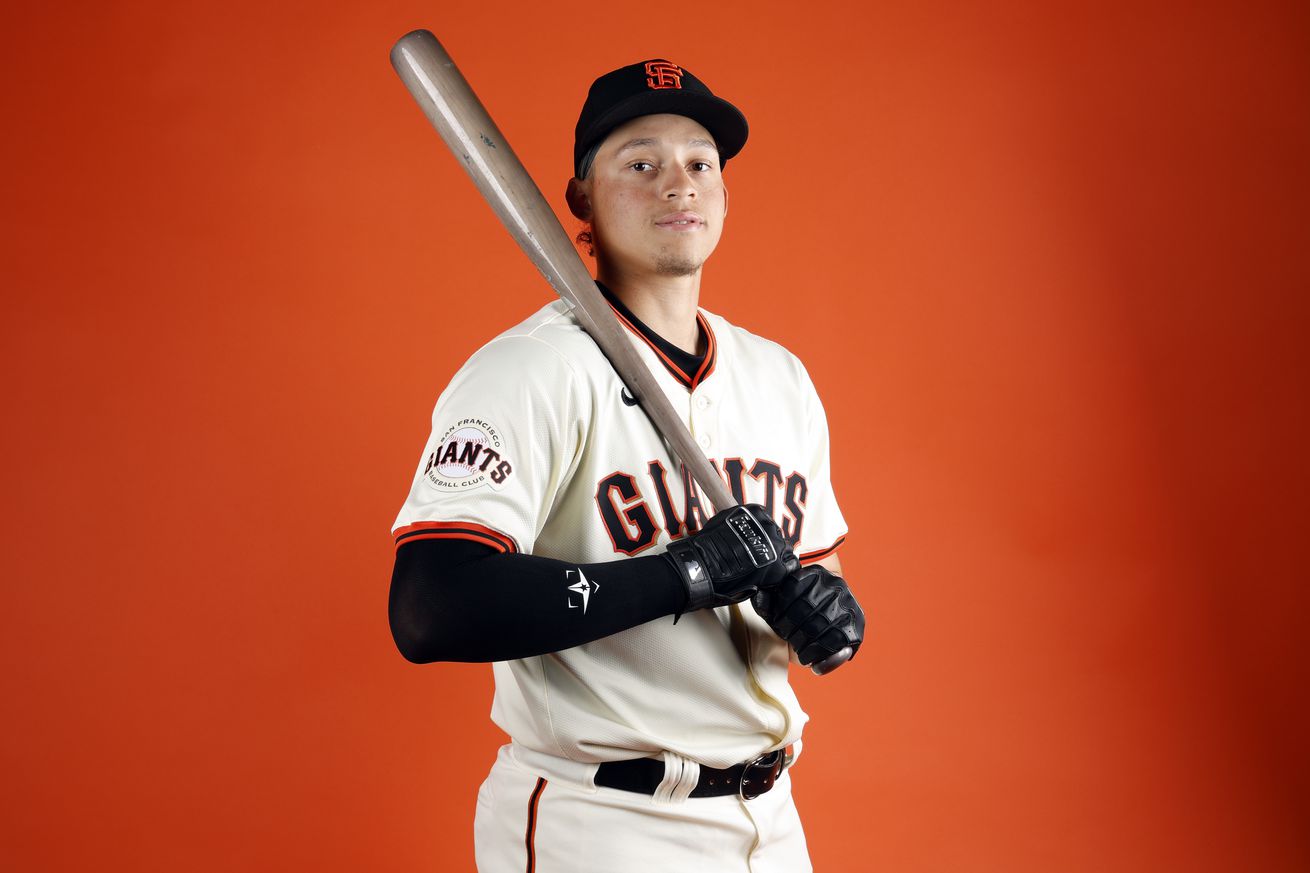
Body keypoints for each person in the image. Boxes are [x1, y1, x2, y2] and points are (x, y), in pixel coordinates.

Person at [389, 58, 865, 873]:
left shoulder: (779, 376)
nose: (676, 184)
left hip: (773, 821)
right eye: (640, 163)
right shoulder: (530, 369)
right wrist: (680, 573)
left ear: (723, 193)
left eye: (698, 163)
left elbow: (793, 605)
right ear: (580, 200)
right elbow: (434, 606)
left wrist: (828, 611)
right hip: (603, 820)